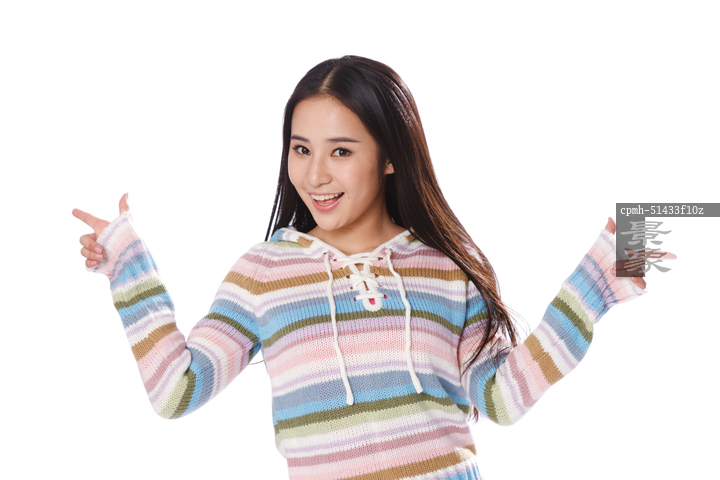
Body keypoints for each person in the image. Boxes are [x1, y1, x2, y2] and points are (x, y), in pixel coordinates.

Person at [72, 56, 664, 480]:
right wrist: (129, 271)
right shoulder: (263, 273)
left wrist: (600, 279)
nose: (315, 175)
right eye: (301, 149)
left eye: (341, 151)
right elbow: (176, 391)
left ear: (388, 156)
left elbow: (502, 399)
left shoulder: (444, 269)